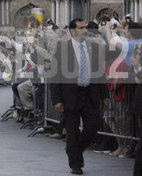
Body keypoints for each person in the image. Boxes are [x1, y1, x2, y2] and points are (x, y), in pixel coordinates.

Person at [51, 18, 109, 175]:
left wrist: (105, 95)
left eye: (85, 27)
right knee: (72, 131)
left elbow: (100, 73)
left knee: (93, 126)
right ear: (72, 31)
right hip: (71, 95)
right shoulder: (63, 49)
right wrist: (56, 99)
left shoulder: (93, 47)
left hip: (90, 93)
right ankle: (75, 164)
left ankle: (75, 150)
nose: (85, 30)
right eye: (81, 28)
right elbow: (55, 76)